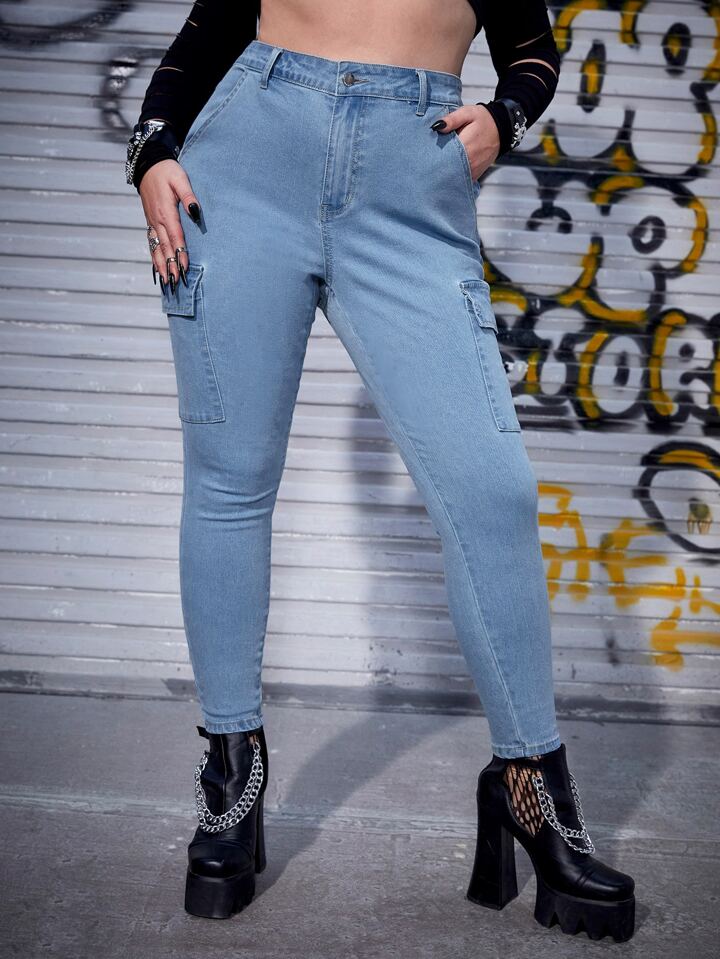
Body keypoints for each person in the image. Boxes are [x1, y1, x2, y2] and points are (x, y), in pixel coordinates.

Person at [125, 0, 635, 940]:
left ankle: (532, 788)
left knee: (492, 492)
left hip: (412, 175)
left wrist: (504, 118)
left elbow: (532, 51)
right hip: (246, 162)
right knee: (231, 482)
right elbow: (210, 31)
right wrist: (152, 150)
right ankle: (232, 785)